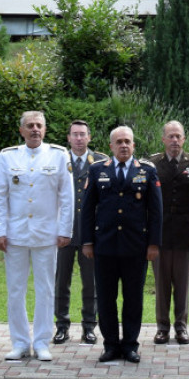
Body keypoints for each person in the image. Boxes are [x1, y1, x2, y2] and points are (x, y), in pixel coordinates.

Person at [0, 111, 74, 361]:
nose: (35, 129)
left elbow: (67, 196)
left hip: (46, 235)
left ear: (45, 130)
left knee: (46, 289)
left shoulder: (59, 155)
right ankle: (19, 343)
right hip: (15, 235)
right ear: (22, 131)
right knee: (15, 290)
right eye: (30, 126)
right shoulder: (8, 156)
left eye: (39, 125)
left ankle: (41, 342)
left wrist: (65, 230)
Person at [82, 126, 162, 363]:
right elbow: (87, 210)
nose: (124, 145)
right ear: (111, 147)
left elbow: (156, 211)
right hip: (104, 246)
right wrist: (87, 241)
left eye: (128, 141)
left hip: (135, 247)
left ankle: (130, 345)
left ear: (134, 145)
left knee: (133, 298)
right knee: (106, 298)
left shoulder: (147, 171)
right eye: (119, 142)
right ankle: (110, 345)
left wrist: (154, 244)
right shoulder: (97, 170)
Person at [54, 120, 108, 346]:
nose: (78, 138)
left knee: (91, 282)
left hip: (90, 234)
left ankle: (89, 327)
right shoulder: (58, 160)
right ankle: (62, 327)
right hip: (63, 231)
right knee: (61, 282)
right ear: (68, 138)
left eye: (82, 134)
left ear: (89, 137)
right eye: (74, 134)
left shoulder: (101, 162)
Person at [146, 121, 189, 345]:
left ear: (184, 139)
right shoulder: (151, 164)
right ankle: (162, 327)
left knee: (182, 284)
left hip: (184, 235)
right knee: (161, 284)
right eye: (171, 136)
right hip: (159, 236)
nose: (175, 140)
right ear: (163, 140)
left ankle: (181, 326)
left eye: (179, 136)